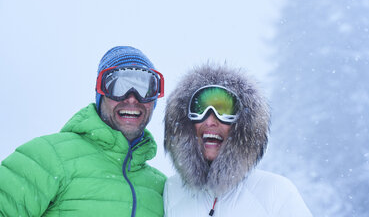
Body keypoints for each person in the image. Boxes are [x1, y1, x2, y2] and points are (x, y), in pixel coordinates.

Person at [0, 46, 166, 216]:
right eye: (118, 86)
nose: (132, 98)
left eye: (145, 88)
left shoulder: (162, 190)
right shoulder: (48, 156)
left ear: (153, 102)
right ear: (100, 94)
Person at [163, 63, 313, 217]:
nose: (210, 122)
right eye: (199, 110)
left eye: (224, 111)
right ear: (185, 124)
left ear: (243, 126)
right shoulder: (172, 191)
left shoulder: (276, 192)